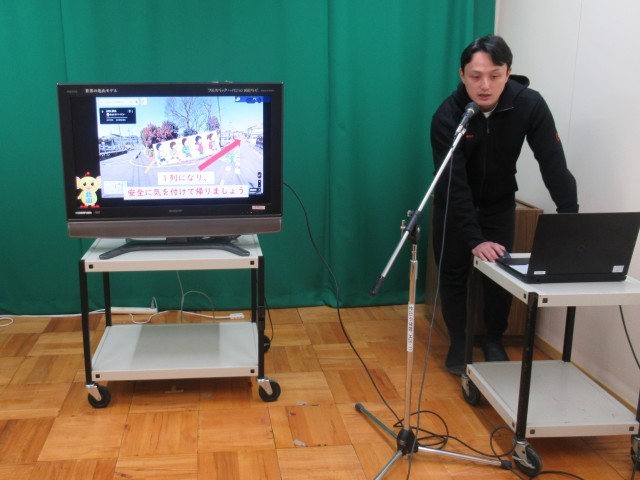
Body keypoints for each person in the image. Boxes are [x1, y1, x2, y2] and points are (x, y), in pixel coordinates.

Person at [430, 35, 578, 375]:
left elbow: (553, 162)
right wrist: (474, 239)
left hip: (499, 204)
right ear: (462, 75)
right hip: (454, 204)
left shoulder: (529, 105)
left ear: (508, 73)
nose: (485, 85)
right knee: (453, 274)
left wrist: (569, 218)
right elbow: (454, 183)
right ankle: (458, 342)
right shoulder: (447, 116)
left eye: (495, 75)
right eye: (475, 76)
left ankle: (494, 339)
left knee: (500, 276)